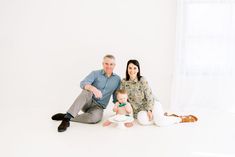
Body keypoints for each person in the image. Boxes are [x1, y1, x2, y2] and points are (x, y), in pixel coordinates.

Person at [51, 54, 121, 132]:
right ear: (103, 64)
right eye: (106, 64)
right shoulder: (95, 73)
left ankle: (68, 116)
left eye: (111, 64)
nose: (108, 66)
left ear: (114, 65)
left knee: (95, 119)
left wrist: (119, 108)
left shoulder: (117, 79)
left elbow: (116, 97)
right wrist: (94, 89)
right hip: (87, 102)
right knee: (87, 91)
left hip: (98, 107)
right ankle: (66, 121)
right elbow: (83, 83)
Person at [120, 59, 198, 126]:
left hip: (152, 104)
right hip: (139, 110)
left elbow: (149, 96)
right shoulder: (124, 82)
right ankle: (163, 116)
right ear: (127, 69)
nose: (132, 70)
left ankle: (179, 119)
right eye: (130, 68)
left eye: (134, 68)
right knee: (142, 121)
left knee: (159, 122)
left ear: (138, 70)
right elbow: (123, 98)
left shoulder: (142, 80)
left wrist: (149, 110)